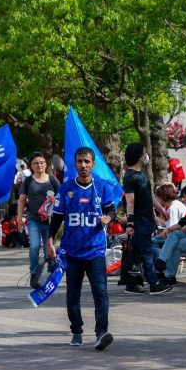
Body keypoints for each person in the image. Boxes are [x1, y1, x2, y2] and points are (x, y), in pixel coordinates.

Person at [46, 147, 117, 350]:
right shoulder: (66, 188)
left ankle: (101, 333)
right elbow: (57, 217)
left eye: (87, 161)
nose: (83, 165)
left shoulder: (101, 187)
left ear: (93, 164)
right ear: (75, 164)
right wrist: (49, 241)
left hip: (95, 251)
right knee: (72, 295)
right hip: (72, 252)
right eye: (80, 161)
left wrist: (108, 217)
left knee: (100, 292)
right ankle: (76, 330)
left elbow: (111, 208)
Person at [122, 143, 172, 295]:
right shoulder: (129, 176)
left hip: (147, 219)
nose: (146, 154)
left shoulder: (142, 173)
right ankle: (154, 284)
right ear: (139, 155)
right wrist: (130, 223)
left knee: (138, 253)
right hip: (139, 221)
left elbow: (148, 196)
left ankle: (132, 284)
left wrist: (161, 209)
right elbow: (130, 201)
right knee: (147, 251)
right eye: (144, 152)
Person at [16, 152, 60, 278]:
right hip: (33, 219)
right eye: (36, 163)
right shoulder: (28, 181)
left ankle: (48, 272)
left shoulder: (53, 180)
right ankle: (34, 273)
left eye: (41, 162)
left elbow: (61, 198)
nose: (39, 165)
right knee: (34, 246)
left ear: (45, 164)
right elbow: (22, 199)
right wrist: (19, 218)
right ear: (31, 166)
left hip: (50, 221)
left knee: (48, 248)